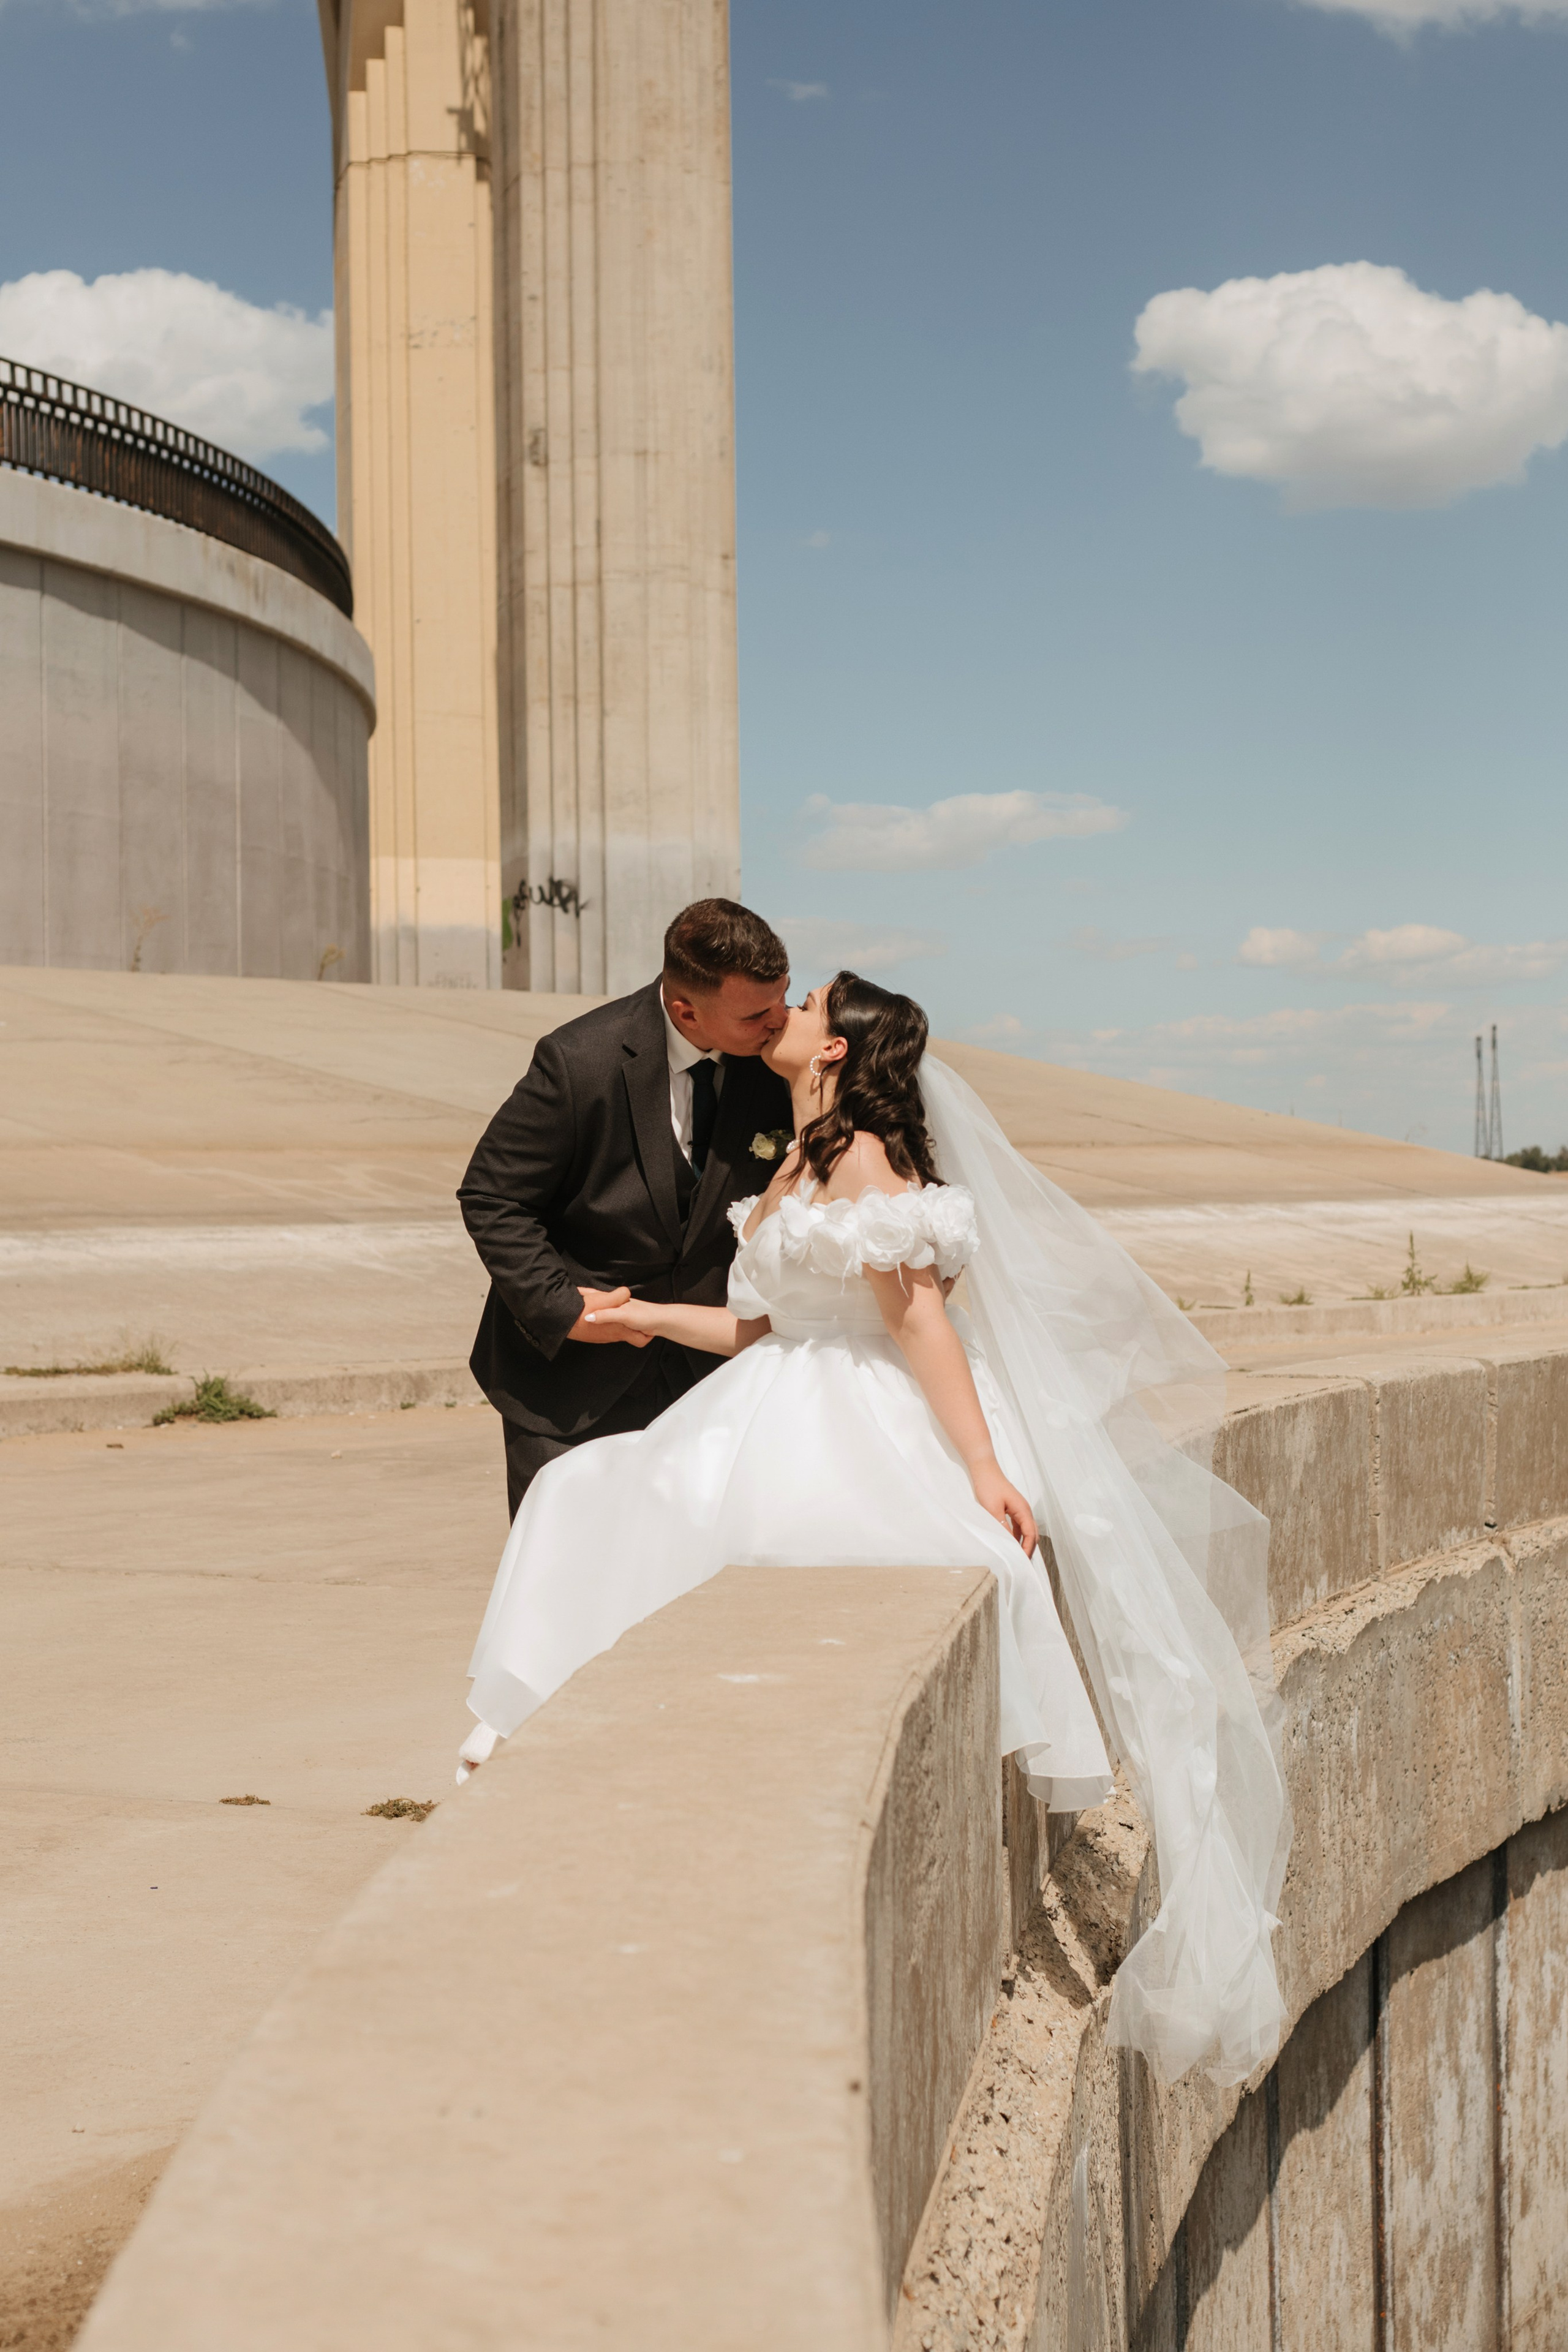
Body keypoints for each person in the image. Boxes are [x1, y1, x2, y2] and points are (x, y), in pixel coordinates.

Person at [456, 970, 1293, 2089]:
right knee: (585, 1493)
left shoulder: (866, 1160)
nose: (787, 1011)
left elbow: (918, 1321)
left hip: (857, 1405)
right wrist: (643, 1314)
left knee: (726, 1526)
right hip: (777, 1384)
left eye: (807, 1004)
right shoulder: (800, 1154)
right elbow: (763, 1325)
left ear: (839, 1050)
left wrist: (986, 1467)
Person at [458, 899, 795, 1520]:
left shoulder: (782, 1065)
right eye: (756, 1013)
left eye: (783, 998)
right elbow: (493, 1196)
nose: (779, 1021)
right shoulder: (577, 1061)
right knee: (566, 1583)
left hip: (715, 1384)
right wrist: (563, 1308)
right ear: (685, 1009)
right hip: (572, 1388)